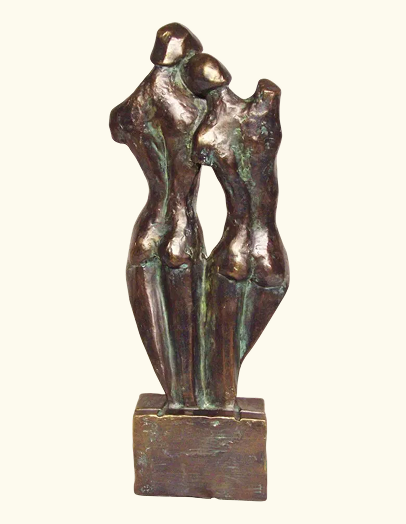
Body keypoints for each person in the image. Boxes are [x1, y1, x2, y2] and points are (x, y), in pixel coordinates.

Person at [184, 54, 290, 411]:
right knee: (228, 353)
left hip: (235, 249)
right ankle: (220, 411)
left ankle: (219, 405)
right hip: (269, 250)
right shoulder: (266, 102)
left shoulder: (205, 137)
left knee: (221, 351)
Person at [109, 23, 207, 409]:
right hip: (181, 223)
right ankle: (186, 399)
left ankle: (179, 398)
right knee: (188, 330)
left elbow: (118, 124)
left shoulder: (138, 104)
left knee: (161, 323)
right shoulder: (195, 109)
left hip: (151, 221)